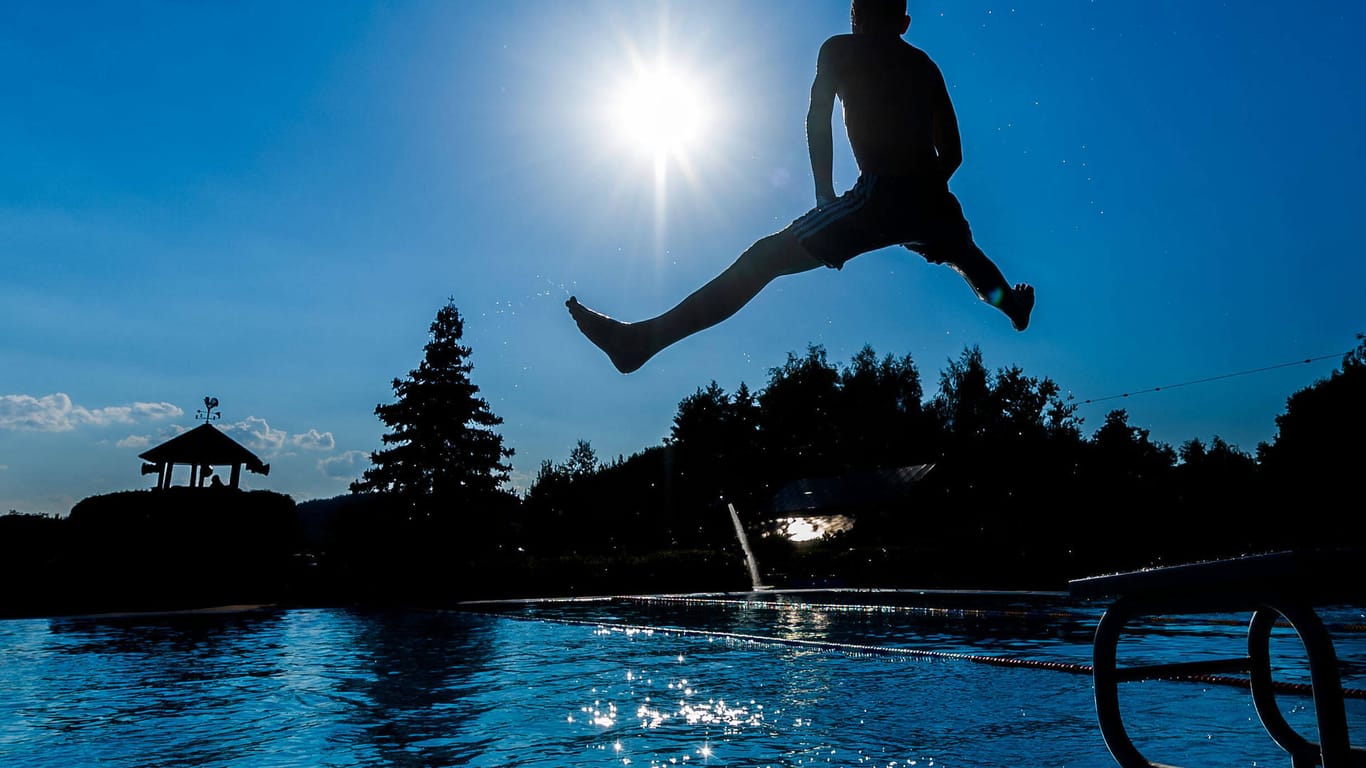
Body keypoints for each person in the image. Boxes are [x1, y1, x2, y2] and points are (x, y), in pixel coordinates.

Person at [568, 0, 1033, 374]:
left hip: (882, 195)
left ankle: (639, 344)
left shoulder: (841, 50)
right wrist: (925, 198)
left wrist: (825, 193)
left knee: (762, 259)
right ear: (904, 23)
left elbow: (818, 119)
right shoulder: (924, 65)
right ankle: (1015, 309)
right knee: (970, 259)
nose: (857, 19)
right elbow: (952, 153)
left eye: (860, 11)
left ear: (869, 17)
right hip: (931, 200)